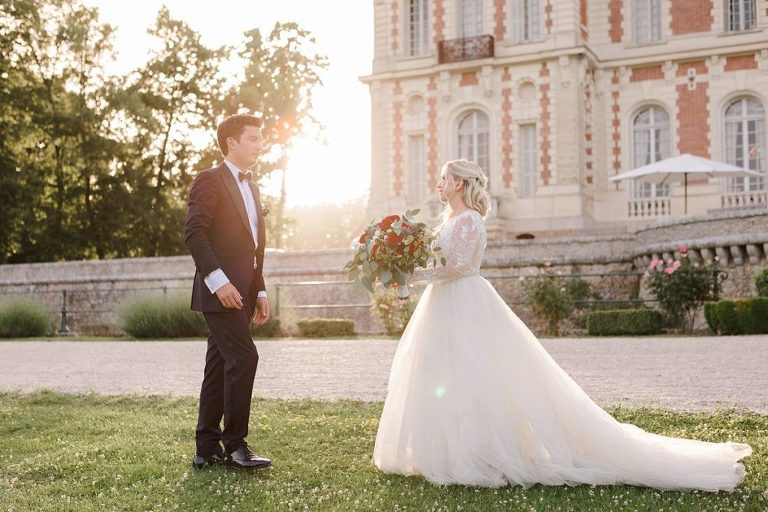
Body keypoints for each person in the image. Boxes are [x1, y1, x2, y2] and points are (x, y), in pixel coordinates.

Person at [374, 159, 751, 490]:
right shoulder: (449, 219)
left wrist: (414, 275)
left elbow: (457, 266)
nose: (437, 184)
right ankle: (447, 449)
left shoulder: (470, 219)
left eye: (443, 178)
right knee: (444, 374)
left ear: (459, 183)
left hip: (464, 299)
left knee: (478, 375)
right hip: (443, 304)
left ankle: (482, 452)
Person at [184, 114, 272, 470]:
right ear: (231, 143)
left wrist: (260, 291)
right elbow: (195, 234)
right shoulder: (209, 180)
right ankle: (235, 445)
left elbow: (253, 247)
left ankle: (206, 447)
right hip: (220, 291)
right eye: (254, 138)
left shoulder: (252, 186)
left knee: (218, 364)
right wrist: (220, 283)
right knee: (245, 358)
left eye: (261, 138)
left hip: (245, 291)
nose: (260, 144)